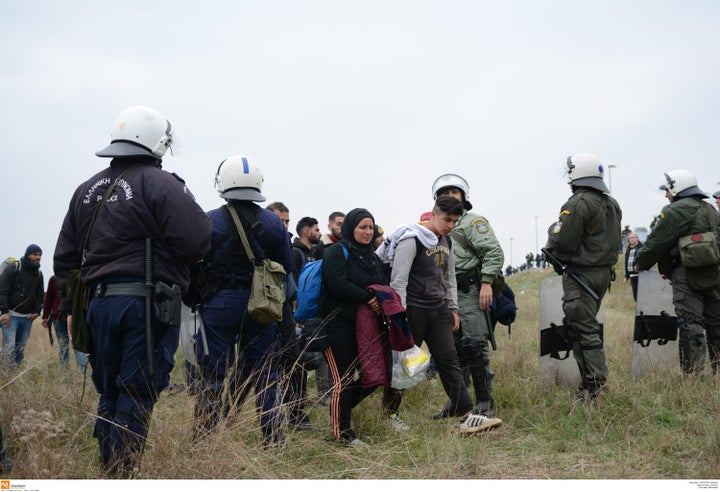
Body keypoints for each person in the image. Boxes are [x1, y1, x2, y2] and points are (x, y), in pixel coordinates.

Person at [53, 105, 212, 477]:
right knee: (138, 390)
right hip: (145, 305)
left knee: (109, 390)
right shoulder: (161, 183)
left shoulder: (85, 189)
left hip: (98, 305)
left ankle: (108, 468)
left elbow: (66, 259)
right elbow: (196, 240)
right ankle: (121, 475)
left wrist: (72, 306)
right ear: (157, 142)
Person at [194, 155, 293, 448]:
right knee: (266, 373)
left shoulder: (208, 220)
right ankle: (273, 439)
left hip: (219, 304)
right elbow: (286, 265)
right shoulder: (273, 223)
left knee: (212, 374)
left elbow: (192, 263)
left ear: (223, 183)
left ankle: (204, 439)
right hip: (260, 304)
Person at [380, 195, 502, 434]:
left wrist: (453, 309)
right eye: (447, 219)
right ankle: (390, 415)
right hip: (412, 312)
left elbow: (450, 278)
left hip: (439, 312)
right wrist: (399, 317)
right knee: (402, 366)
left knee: (449, 362)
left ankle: (467, 415)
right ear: (433, 213)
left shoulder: (446, 240)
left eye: (455, 221)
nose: (450, 225)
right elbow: (399, 282)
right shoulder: (411, 239)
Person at [545, 153, 622, 400]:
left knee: (583, 329)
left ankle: (595, 387)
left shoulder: (577, 204)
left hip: (582, 276)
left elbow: (564, 241)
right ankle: (590, 382)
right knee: (580, 327)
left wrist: (552, 233)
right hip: (601, 275)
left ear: (575, 175)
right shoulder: (612, 203)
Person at [320, 208, 396, 445]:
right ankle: (342, 433)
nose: (367, 232)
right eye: (362, 227)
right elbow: (337, 283)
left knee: (373, 377)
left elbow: (382, 284)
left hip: (367, 328)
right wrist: (367, 298)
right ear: (350, 229)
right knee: (342, 379)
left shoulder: (371, 257)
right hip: (337, 326)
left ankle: (339, 410)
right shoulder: (335, 252)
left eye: (370, 227)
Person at [431, 173, 504, 418]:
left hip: (470, 291)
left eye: (454, 193)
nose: (450, 197)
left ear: (463, 196)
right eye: (445, 194)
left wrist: (486, 284)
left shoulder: (472, 223)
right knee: (453, 350)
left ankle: (485, 401)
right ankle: (459, 403)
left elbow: (493, 252)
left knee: (474, 345)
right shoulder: (436, 228)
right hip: (446, 296)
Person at [636, 170, 720, 375]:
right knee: (716, 321)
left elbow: (657, 242)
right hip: (714, 271)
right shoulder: (710, 209)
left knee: (690, 322)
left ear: (676, 188)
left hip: (685, 273)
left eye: (667, 190)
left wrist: (640, 263)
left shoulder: (673, 211)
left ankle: (692, 375)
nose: (666, 195)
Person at [267, 203, 316, 431]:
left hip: (285, 308)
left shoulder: (286, 242)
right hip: (263, 307)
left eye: (287, 221)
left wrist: (294, 299)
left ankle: (296, 414)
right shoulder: (261, 239)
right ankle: (231, 411)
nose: (284, 225)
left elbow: (288, 275)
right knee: (255, 364)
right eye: (280, 220)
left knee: (294, 361)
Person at [312, 211, 345, 404]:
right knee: (323, 348)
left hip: (341, 307)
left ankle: (337, 389)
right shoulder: (321, 247)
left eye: (344, 224)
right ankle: (323, 393)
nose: (341, 228)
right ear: (330, 225)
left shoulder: (346, 246)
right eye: (339, 224)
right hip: (324, 304)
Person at [0, 244, 45, 369]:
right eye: (35, 254)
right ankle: (6, 376)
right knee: (9, 349)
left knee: (19, 350)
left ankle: (15, 374)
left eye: (40, 255)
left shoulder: (39, 274)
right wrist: (4, 312)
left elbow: (40, 295)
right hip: (10, 316)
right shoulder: (13, 268)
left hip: (27, 319)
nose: (38, 257)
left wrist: (37, 311)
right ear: (27, 255)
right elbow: (2, 290)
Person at [41, 275, 88, 372]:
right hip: (58, 317)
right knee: (65, 345)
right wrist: (45, 316)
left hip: (74, 317)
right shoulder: (54, 279)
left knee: (75, 344)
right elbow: (49, 298)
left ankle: (83, 370)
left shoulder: (79, 277)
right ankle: (64, 370)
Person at [623, 232, 643, 302]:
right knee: (635, 296)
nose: (631, 239)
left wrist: (639, 266)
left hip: (641, 276)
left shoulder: (642, 248)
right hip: (632, 276)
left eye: (633, 237)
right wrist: (626, 276)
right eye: (630, 238)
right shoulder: (628, 249)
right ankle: (638, 311)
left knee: (641, 295)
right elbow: (626, 263)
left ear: (637, 238)